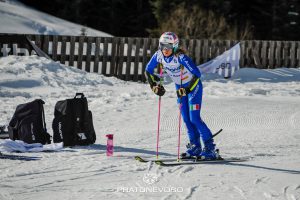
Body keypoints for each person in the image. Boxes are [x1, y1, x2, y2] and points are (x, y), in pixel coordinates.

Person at [145, 32, 219, 160]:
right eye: (162, 45)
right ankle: (195, 147)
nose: (165, 49)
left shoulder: (180, 57)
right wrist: (154, 86)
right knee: (186, 119)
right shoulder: (158, 56)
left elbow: (197, 74)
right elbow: (148, 70)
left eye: (168, 46)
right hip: (179, 88)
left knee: (194, 118)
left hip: (193, 87)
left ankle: (210, 149)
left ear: (175, 46)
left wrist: (188, 89)